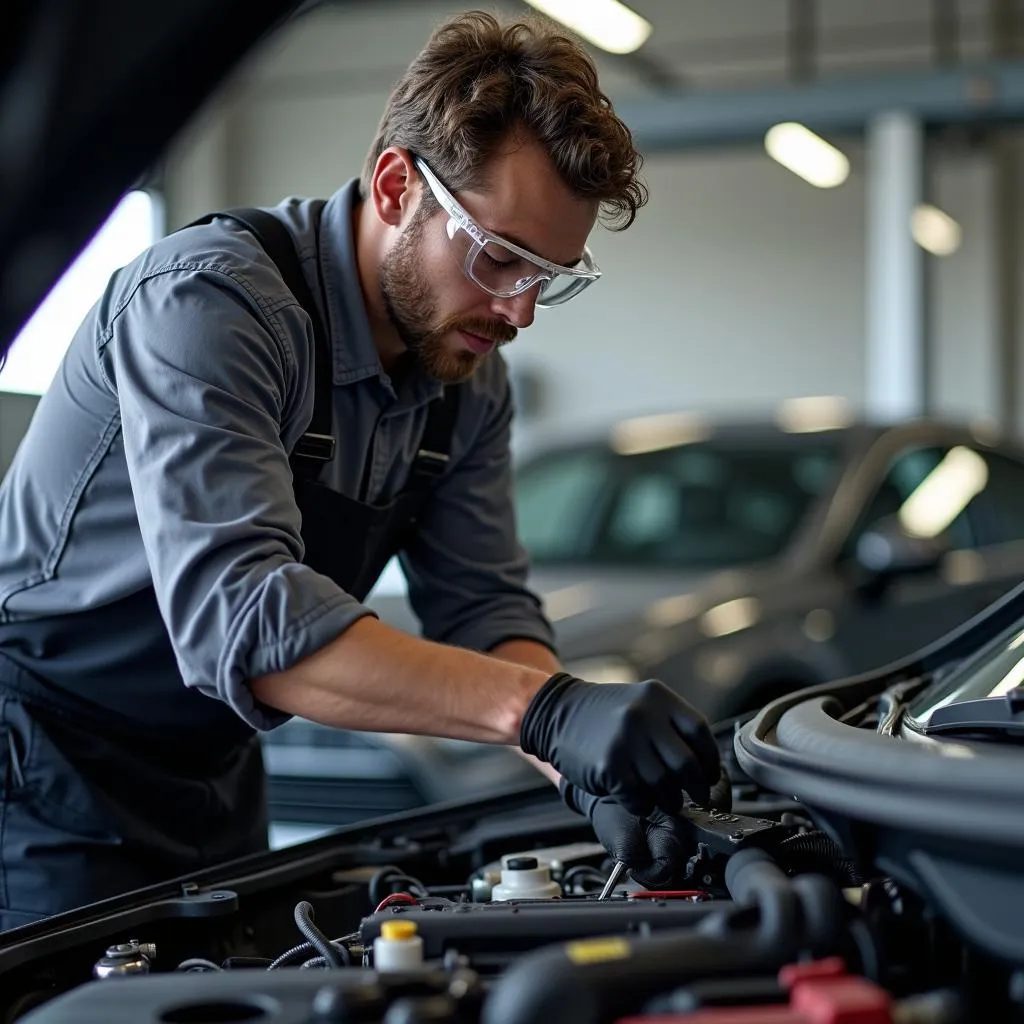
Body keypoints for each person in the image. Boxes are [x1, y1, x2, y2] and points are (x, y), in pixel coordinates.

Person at [0, 10, 721, 927]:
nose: (521, 312)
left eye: (552, 276)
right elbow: (246, 622)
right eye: (501, 258)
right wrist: (544, 711)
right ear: (394, 186)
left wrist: (580, 768)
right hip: (39, 768)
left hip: (216, 777)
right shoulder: (210, 304)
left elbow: (484, 609)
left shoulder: (467, 379)